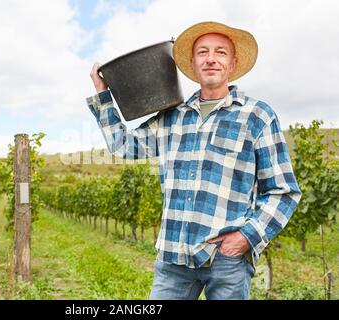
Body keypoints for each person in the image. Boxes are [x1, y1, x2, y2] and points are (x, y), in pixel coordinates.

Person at [86, 21, 302, 300]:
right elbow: (122, 145)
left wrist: (246, 237)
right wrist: (103, 94)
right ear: (192, 62)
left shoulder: (256, 115)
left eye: (220, 52)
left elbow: (283, 192)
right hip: (173, 258)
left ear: (233, 63)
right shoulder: (172, 117)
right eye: (203, 52)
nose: (211, 58)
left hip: (227, 260)